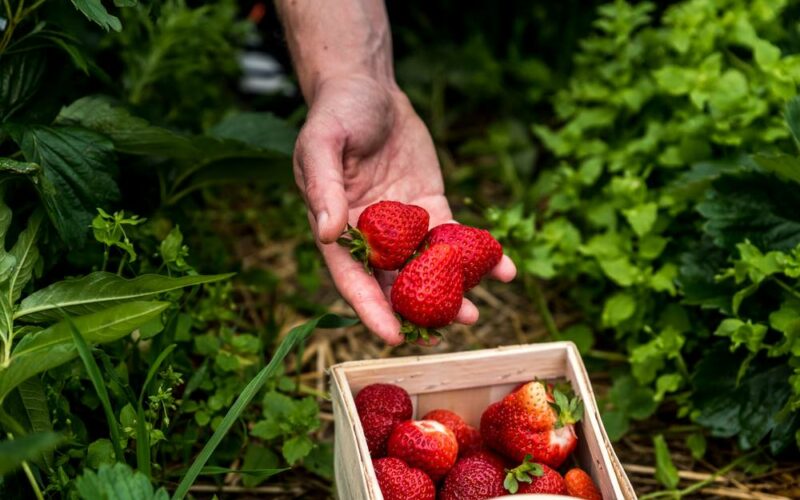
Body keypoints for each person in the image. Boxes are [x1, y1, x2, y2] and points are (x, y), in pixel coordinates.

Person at [277, 0, 517, 345]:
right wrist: (348, 76)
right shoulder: (409, 244)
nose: (441, 253)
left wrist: (356, 73)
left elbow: (436, 252)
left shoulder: (417, 245)